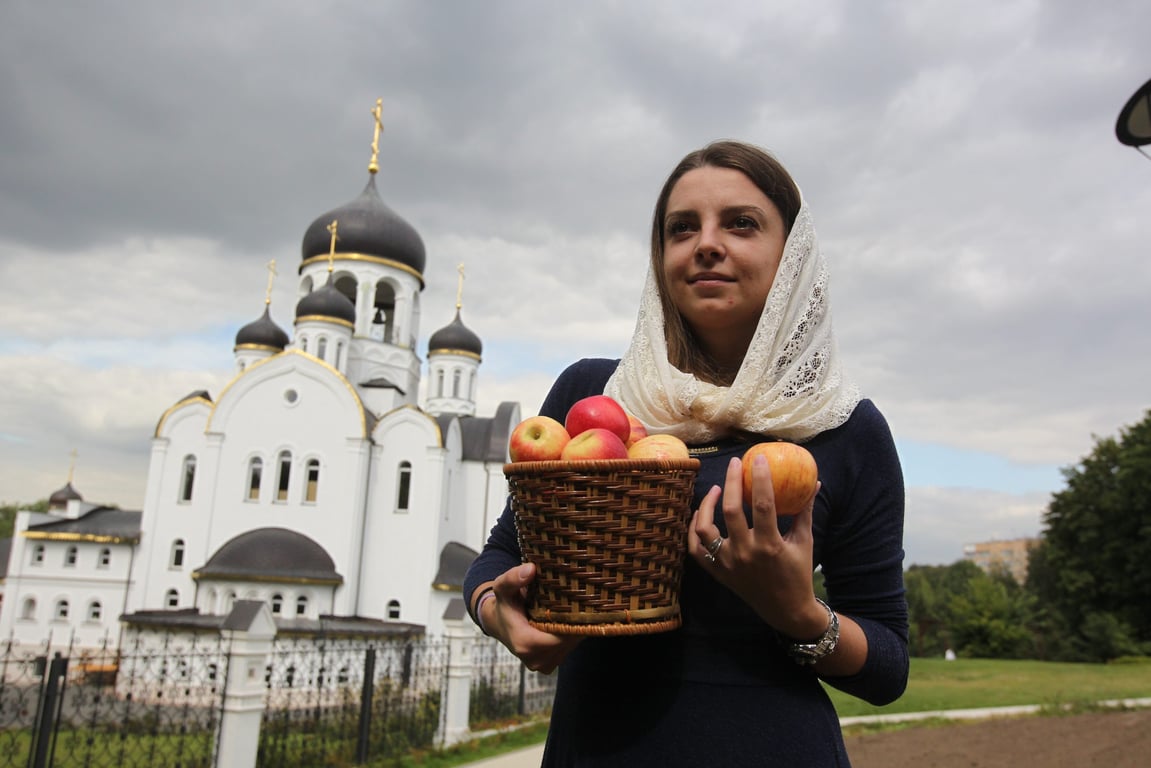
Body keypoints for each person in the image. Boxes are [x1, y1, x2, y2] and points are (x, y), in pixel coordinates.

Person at [463, 140, 908, 766]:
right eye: (681, 229)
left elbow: (888, 665)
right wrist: (495, 609)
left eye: (741, 223)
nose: (705, 243)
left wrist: (798, 612)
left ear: (793, 255)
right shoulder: (597, 397)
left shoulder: (842, 428)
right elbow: (499, 556)